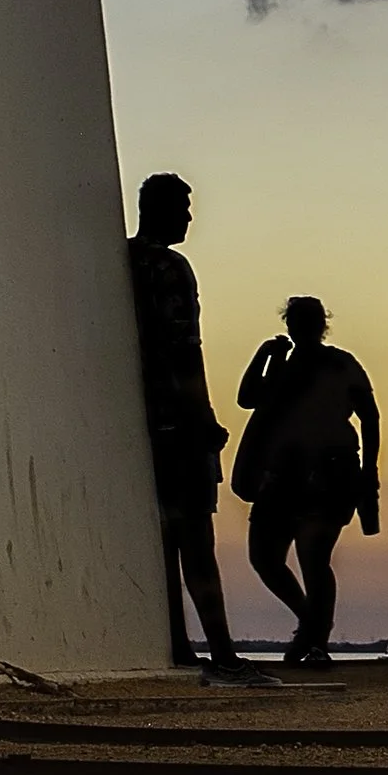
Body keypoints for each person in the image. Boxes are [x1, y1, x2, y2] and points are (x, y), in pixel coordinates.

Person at [124, 172, 257, 683]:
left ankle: (179, 643)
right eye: (183, 207)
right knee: (196, 540)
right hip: (176, 424)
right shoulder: (170, 267)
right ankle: (222, 652)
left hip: (138, 426)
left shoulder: (124, 263)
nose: (189, 217)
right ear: (160, 209)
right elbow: (184, 351)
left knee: (163, 543)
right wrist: (204, 419)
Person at [231, 297, 380, 669]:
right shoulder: (283, 367)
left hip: (331, 472)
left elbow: (370, 417)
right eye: (295, 320)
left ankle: (317, 641)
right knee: (264, 557)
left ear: (319, 325)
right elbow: (246, 397)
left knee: (315, 559)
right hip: (282, 474)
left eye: (306, 320)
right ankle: (310, 624)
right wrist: (265, 354)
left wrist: (369, 472)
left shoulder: (340, 364)